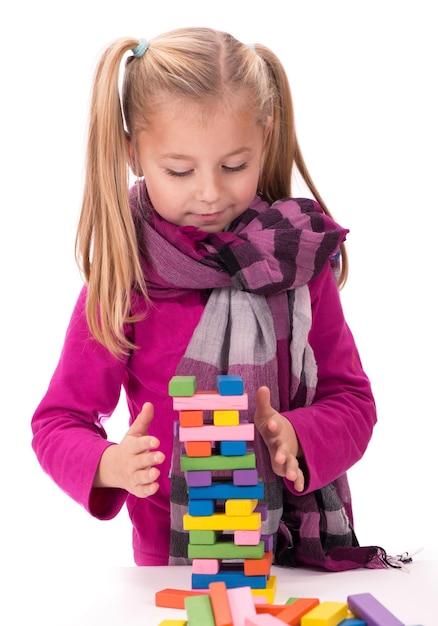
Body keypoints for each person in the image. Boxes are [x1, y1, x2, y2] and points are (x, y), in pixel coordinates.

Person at [31, 27, 393, 570]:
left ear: (264, 140)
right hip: (170, 562)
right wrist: (110, 464)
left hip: (294, 554)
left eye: (233, 166)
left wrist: (299, 435)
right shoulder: (125, 277)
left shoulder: (296, 261)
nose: (209, 192)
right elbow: (57, 421)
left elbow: (354, 402)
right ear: (134, 152)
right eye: (179, 170)